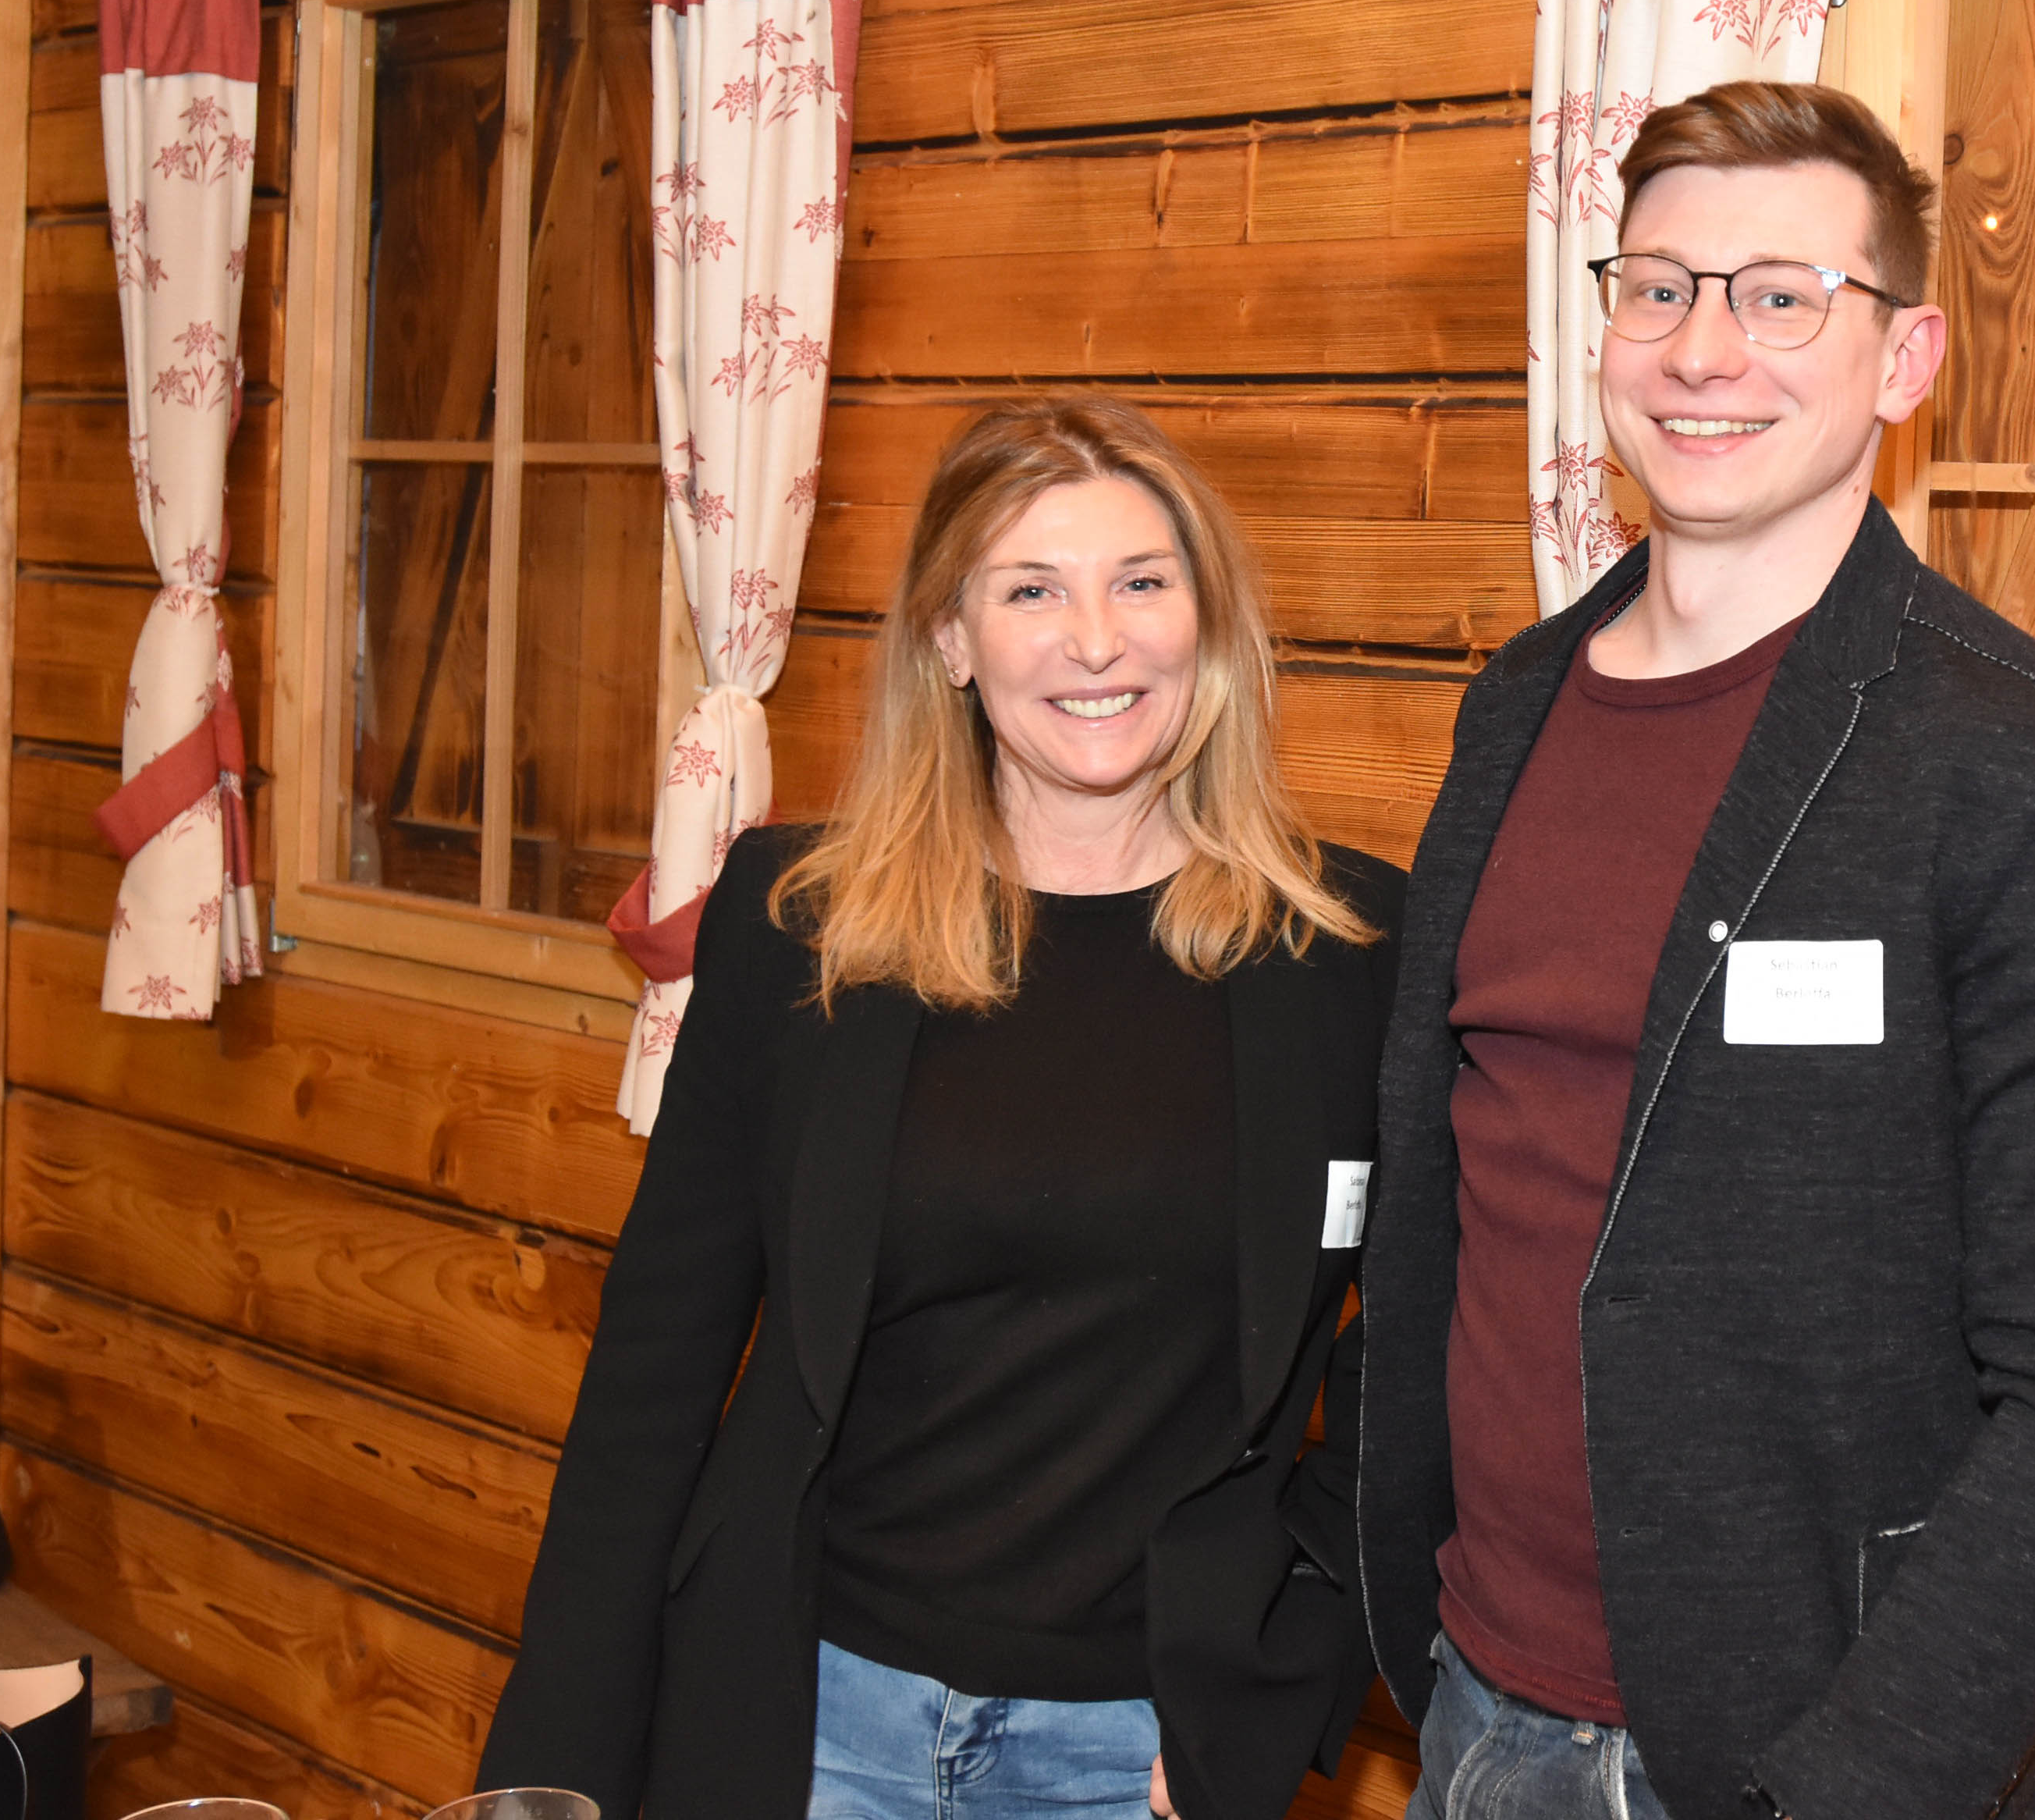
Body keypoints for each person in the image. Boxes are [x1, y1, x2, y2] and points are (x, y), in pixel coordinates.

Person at [1356, 82, 2035, 1820]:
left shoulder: (2026, 767)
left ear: (1904, 360)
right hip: (1469, 1712)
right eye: (1659, 288)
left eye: (1779, 297)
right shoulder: (1513, 708)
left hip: (1797, 1760)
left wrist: (1852, 1784)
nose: (1701, 349)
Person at [480, 397, 1402, 1820]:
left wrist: (1285, 1669)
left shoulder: (1348, 952)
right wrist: (551, 1776)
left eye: (1142, 582)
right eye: (1030, 590)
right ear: (950, 640)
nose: (1095, 640)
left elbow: (1419, 1364)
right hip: (804, 1721)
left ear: (1207, 623)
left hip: (1135, 1757)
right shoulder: (797, 923)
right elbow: (652, 1376)